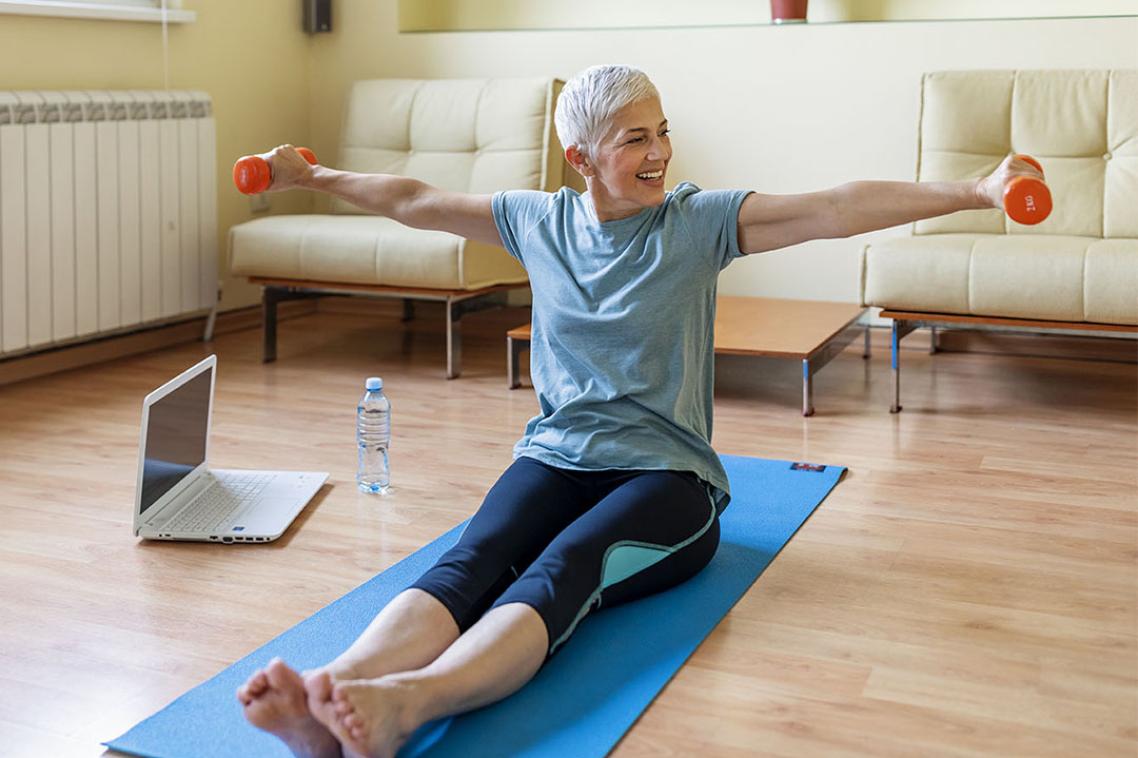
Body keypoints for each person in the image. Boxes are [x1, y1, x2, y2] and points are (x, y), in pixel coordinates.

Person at [235, 64, 1041, 758]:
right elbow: (413, 198)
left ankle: (410, 704)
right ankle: (328, 688)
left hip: (669, 481)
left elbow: (833, 206)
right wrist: (310, 177)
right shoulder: (538, 221)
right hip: (555, 454)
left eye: (661, 131)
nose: (658, 152)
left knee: (563, 571)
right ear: (580, 156)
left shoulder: (694, 224)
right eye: (633, 139)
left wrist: (977, 189)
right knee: (469, 559)